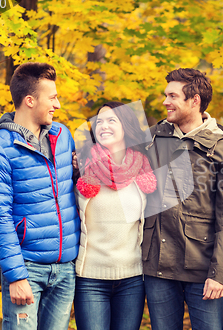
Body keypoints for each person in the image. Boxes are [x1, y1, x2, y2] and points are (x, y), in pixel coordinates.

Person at [0, 62, 80, 329]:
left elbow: (76, 188)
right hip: (27, 268)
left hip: (66, 267)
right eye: (53, 97)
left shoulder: (63, 136)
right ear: (30, 100)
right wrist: (16, 276)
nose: (58, 104)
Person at [142, 68, 223, 330]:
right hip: (158, 267)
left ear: (194, 100)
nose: (165, 102)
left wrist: (219, 274)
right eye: (166, 95)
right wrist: (79, 162)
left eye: (172, 96)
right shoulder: (154, 137)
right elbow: (113, 160)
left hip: (202, 270)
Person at [73, 102, 157, 330]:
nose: (103, 125)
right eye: (99, 121)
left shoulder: (142, 170)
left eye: (112, 120)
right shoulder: (81, 165)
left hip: (132, 279)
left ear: (126, 126)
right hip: (90, 278)